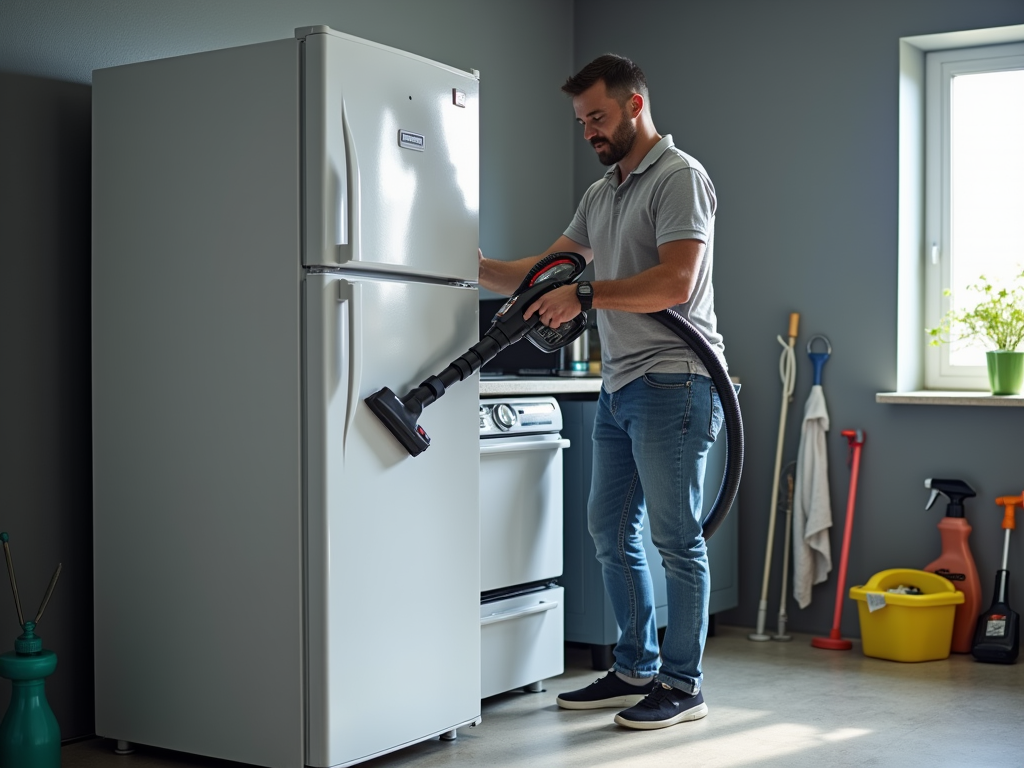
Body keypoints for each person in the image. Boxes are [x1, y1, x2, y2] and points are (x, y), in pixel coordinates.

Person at [477, 53, 725, 731]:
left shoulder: (679, 177)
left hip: (676, 381)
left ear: (634, 106)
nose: (588, 130)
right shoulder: (603, 192)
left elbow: (674, 283)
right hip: (621, 384)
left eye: (598, 116)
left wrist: (583, 292)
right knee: (610, 533)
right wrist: (471, 266)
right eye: (581, 120)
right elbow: (547, 269)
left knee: (677, 539)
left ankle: (683, 684)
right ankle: (635, 664)